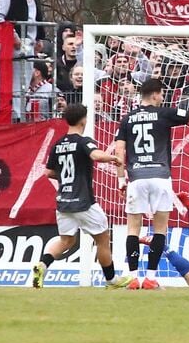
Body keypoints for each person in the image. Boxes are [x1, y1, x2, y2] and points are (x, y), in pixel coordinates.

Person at [115, 75, 189, 289]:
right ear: (156, 94)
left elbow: (119, 151)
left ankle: (132, 277)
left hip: (137, 178)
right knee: (160, 229)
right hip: (160, 177)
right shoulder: (164, 114)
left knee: (133, 229)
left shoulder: (127, 119)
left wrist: (122, 180)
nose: (162, 97)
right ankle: (150, 277)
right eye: (162, 94)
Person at [36, 103, 131, 289]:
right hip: (83, 202)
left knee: (66, 241)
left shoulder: (58, 144)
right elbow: (96, 156)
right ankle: (111, 279)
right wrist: (114, 158)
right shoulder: (83, 141)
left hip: (63, 202)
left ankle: (42, 265)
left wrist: (63, 175)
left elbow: (48, 172)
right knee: (103, 239)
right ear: (84, 120)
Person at [0, 0, 47, 121]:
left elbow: (37, 15)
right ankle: (15, 115)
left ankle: (21, 111)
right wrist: (12, 35)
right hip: (14, 43)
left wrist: (40, 37)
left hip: (29, 43)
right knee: (15, 79)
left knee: (26, 78)